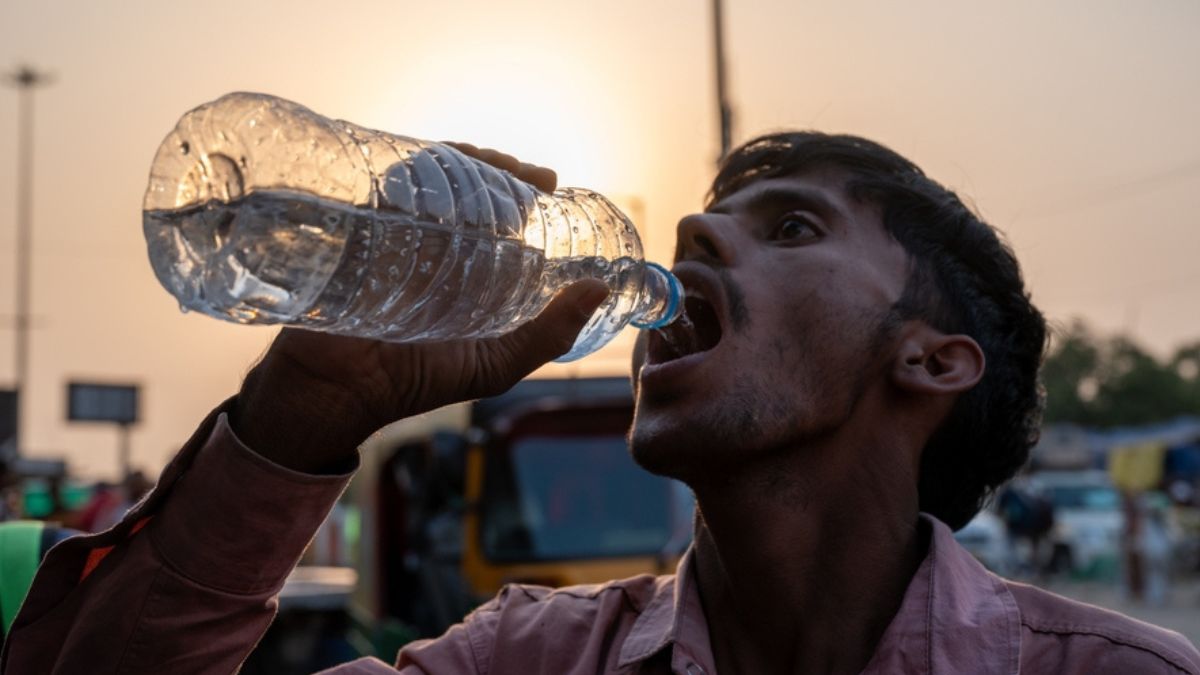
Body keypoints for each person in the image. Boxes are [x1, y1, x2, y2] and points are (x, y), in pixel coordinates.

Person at [5, 134, 1199, 674]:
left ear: (931, 362)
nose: (691, 234)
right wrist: (304, 414)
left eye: (789, 226)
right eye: (712, 215)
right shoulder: (523, 659)